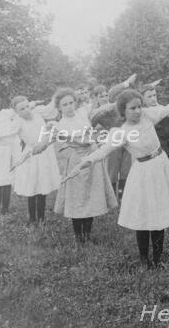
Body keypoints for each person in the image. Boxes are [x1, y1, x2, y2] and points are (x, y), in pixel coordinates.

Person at [71, 89, 169, 268]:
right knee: (145, 216)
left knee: (160, 213)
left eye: (139, 106)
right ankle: (144, 261)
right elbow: (104, 150)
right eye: (132, 108)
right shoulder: (122, 132)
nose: (137, 111)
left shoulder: (147, 116)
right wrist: (85, 162)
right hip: (143, 174)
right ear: (123, 111)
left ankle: (158, 260)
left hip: (160, 168)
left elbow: (167, 109)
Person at [44, 88, 118, 245]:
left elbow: (94, 125)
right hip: (77, 161)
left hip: (92, 157)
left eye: (71, 102)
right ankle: (79, 237)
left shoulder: (82, 115)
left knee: (90, 196)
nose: (69, 106)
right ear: (59, 107)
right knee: (78, 199)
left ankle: (87, 234)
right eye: (65, 104)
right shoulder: (61, 125)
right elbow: (76, 143)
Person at [9, 96, 61, 225]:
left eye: (27, 106)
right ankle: (32, 218)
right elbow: (7, 132)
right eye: (22, 109)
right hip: (31, 155)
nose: (26, 110)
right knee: (32, 186)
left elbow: (50, 112)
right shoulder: (18, 122)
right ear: (16, 112)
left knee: (42, 184)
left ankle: (42, 218)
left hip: (44, 153)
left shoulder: (37, 114)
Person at [89, 74, 137, 198]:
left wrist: (126, 83)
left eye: (106, 95)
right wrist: (98, 140)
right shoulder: (96, 112)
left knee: (126, 168)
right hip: (111, 143)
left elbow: (117, 94)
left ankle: (122, 195)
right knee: (112, 170)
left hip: (126, 140)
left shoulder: (114, 106)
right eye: (101, 96)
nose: (105, 98)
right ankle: (111, 197)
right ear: (96, 98)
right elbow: (89, 128)